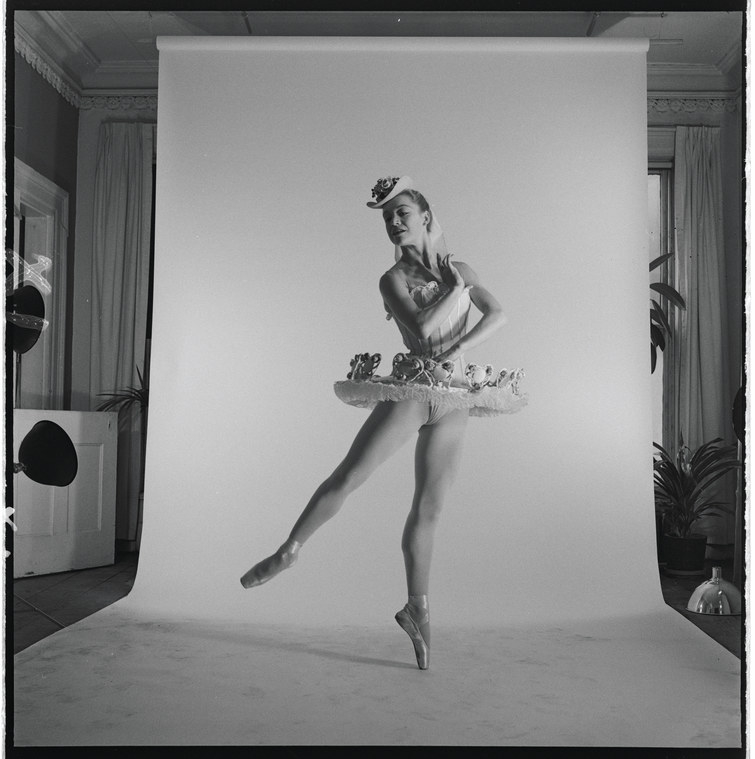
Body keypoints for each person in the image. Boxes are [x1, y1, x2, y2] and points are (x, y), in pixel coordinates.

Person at [240, 176, 526, 670]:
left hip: (454, 397)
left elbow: (497, 313)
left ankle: (417, 608)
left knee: (430, 508)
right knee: (350, 476)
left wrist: (459, 347)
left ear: (426, 217)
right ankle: (289, 550)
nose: (394, 224)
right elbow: (420, 329)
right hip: (413, 392)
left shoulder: (461, 267)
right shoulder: (391, 280)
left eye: (402, 214)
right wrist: (455, 291)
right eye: (387, 219)